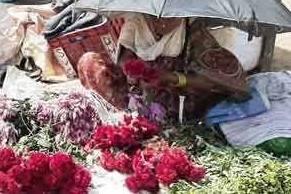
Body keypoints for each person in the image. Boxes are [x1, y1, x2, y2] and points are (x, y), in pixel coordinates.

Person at [77, 15, 251, 121]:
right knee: (88, 62)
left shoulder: (192, 30)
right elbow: (124, 60)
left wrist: (171, 78)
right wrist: (132, 70)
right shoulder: (136, 22)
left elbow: (213, 81)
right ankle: (135, 112)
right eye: (156, 16)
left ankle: (159, 118)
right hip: (138, 93)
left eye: (172, 16)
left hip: (177, 98)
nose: (164, 22)